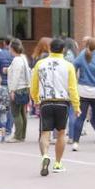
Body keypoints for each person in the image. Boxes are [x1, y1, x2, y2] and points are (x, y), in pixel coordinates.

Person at [32, 37, 82, 175]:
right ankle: (58, 163)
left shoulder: (40, 64)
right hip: (62, 102)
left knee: (44, 133)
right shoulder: (68, 66)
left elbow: (34, 84)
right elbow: (72, 88)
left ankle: (45, 156)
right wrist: (76, 106)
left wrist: (36, 99)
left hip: (46, 101)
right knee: (61, 133)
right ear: (64, 50)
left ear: (49, 48)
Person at [0, 37, 16, 138]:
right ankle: (8, 129)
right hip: (12, 85)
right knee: (9, 108)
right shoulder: (15, 56)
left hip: (1, 84)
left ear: (4, 43)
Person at [7, 38, 31, 142]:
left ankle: (17, 135)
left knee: (16, 113)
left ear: (12, 48)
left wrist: (12, 90)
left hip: (17, 88)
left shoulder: (16, 60)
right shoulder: (23, 58)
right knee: (23, 112)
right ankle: (22, 135)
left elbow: (16, 75)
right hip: (25, 87)